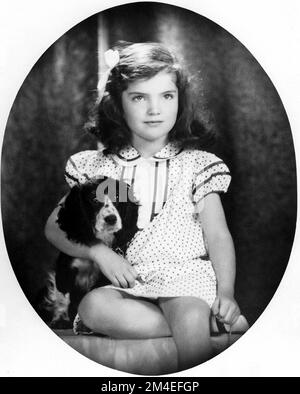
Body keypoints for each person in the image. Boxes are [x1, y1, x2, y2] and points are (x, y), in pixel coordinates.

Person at [45, 41, 248, 371]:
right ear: (118, 105)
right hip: (130, 282)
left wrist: (225, 292)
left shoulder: (195, 166)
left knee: (190, 309)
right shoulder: (108, 171)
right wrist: (98, 251)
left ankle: (196, 323)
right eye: (139, 97)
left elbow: (217, 236)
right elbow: (55, 225)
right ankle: (204, 326)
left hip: (185, 280)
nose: (155, 109)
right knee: (94, 307)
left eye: (166, 96)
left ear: (180, 101)